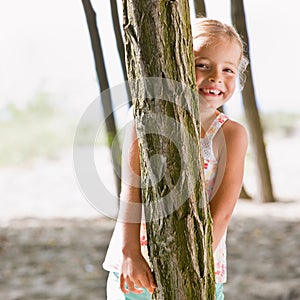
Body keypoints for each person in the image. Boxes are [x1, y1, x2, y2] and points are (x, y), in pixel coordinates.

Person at [103, 17, 249, 299]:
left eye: (228, 69)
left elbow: (222, 212)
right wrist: (130, 252)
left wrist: (193, 266)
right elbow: (131, 192)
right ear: (178, 62)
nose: (216, 77)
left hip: (199, 267)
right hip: (137, 267)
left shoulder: (230, 134)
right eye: (202, 65)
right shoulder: (146, 119)